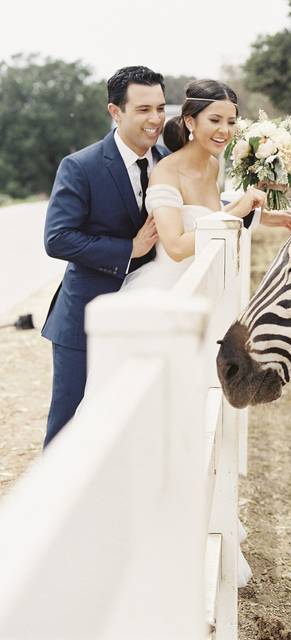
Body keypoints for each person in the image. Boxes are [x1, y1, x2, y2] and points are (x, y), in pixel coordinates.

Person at [42, 66, 167, 448]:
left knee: (124, 424)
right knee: (68, 426)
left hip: (143, 315)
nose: (156, 119)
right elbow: (57, 239)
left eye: (161, 108)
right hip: (84, 319)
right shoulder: (81, 166)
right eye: (144, 109)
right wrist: (129, 249)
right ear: (115, 111)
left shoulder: (167, 159)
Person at [120, 78, 291, 291]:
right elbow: (175, 248)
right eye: (215, 120)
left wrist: (261, 215)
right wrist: (237, 212)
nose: (224, 130)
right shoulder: (166, 173)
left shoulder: (212, 165)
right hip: (176, 288)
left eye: (231, 122)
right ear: (190, 122)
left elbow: (208, 219)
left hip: (212, 280)